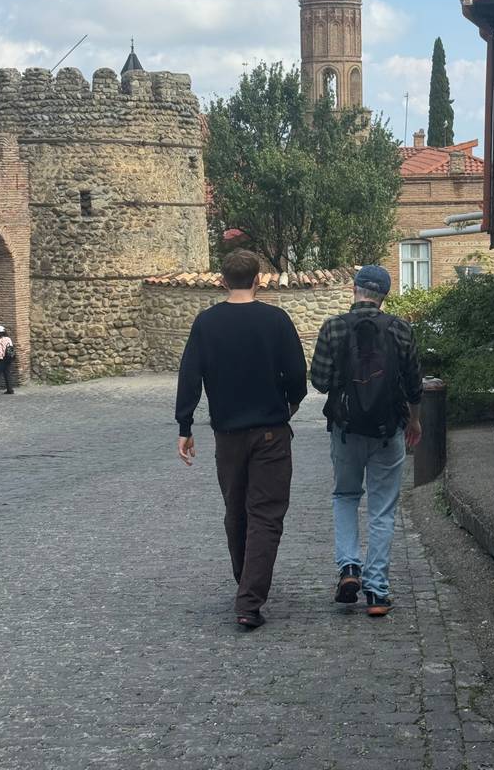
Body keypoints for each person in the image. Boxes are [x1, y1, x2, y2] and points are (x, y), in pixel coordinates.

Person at [175, 249, 307, 629]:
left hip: (228, 434)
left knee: (236, 510)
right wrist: (291, 402)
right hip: (271, 431)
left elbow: (190, 375)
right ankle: (249, 599)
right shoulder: (276, 320)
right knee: (266, 514)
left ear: (222, 281)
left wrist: (185, 426)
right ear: (258, 280)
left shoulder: (206, 323)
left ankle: (244, 580)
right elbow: (297, 373)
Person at [311, 264, 422, 617]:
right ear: (384, 296)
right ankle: (377, 591)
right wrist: (414, 420)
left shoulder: (333, 327)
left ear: (354, 290)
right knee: (382, 508)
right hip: (388, 430)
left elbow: (319, 381)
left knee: (345, 496)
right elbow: (414, 383)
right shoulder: (400, 328)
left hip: (346, 429)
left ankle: (349, 568)